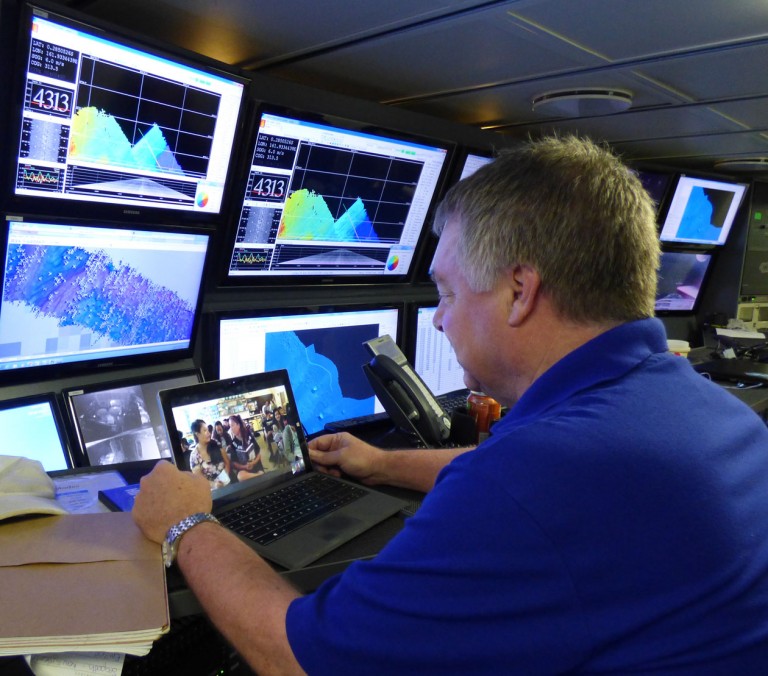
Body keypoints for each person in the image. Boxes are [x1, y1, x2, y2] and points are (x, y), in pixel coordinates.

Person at [133, 136, 768, 674]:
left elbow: (297, 656)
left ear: (520, 291)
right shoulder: (715, 416)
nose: (437, 321)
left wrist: (186, 524)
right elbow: (527, 478)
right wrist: (379, 464)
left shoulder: (534, 479)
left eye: (446, 292)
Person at [188, 419, 230, 490]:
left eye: (208, 430)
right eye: (205, 431)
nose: (209, 433)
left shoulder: (215, 443)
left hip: (228, 482)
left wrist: (225, 477)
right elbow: (199, 480)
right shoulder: (194, 456)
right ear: (197, 434)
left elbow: (227, 462)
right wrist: (214, 485)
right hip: (212, 491)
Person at [227, 414, 265, 480]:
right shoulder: (233, 443)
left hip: (255, 464)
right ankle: (258, 475)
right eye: (230, 426)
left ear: (238, 425)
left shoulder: (249, 436)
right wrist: (244, 466)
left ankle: (258, 474)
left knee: (258, 471)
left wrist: (253, 463)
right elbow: (234, 463)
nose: (231, 429)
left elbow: (259, 453)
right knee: (240, 476)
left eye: (232, 425)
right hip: (244, 469)